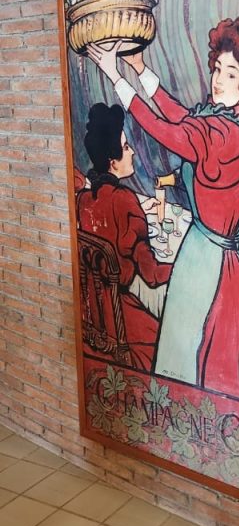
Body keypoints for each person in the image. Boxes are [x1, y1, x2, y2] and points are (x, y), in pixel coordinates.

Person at [85, 18, 239, 415]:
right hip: (217, 254)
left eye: (230, 73)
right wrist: (139, 69)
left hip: (204, 260)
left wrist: (114, 75)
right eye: (217, 69)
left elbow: (166, 130)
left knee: (189, 352)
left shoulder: (223, 134)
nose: (218, 79)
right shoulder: (231, 124)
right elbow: (181, 116)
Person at [77, 103, 171, 371]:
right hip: (119, 318)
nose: (132, 152)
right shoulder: (125, 200)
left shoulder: (83, 199)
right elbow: (151, 275)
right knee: (168, 344)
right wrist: (184, 267)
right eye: (126, 147)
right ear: (113, 161)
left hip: (91, 312)